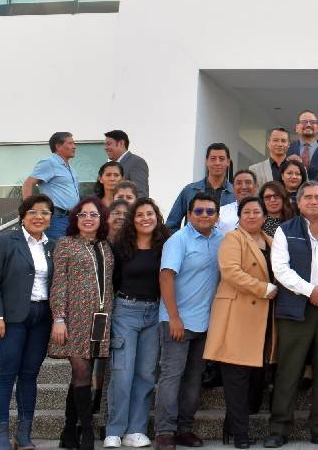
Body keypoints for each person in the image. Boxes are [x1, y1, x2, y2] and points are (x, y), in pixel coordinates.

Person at [266, 182, 318, 448]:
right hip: (296, 310)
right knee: (289, 370)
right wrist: (311, 290)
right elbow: (280, 269)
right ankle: (278, 429)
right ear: (298, 203)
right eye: (308, 197)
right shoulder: (283, 230)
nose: (313, 201)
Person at [0, 195, 57, 450]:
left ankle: (23, 433)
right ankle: (1, 434)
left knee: (29, 375)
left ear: (51, 218)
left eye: (45, 213)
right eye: (33, 212)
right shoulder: (6, 241)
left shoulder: (52, 246)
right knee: (6, 374)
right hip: (10, 319)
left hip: (41, 319)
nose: (39, 217)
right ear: (23, 216)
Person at [204, 196, 278, 449]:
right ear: (239, 216)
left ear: (265, 217)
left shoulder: (270, 241)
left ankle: (232, 425)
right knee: (236, 378)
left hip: (262, 318)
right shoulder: (232, 239)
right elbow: (231, 272)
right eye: (246, 212)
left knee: (254, 379)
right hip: (237, 315)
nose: (251, 216)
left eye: (256, 212)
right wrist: (263, 288)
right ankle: (240, 434)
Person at [154, 193, 225, 450]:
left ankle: (184, 428)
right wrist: (173, 317)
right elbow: (166, 278)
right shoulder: (178, 241)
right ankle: (164, 431)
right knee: (172, 376)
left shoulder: (222, 240)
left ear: (217, 216)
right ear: (189, 215)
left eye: (209, 211)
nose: (204, 215)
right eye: (198, 211)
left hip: (206, 322)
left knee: (194, 378)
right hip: (177, 321)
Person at [48, 196, 115, 450]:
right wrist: (59, 318)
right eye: (83, 214)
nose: (88, 219)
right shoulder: (65, 244)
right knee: (82, 371)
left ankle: (68, 431)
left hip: (100, 318)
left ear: (101, 219)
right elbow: (59, 283)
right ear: (76, 218)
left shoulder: (105, 246)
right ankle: (86, 432)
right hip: (73, 318)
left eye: (94, 214)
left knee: (81, 374)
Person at [105, 198, 168, 449]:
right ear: (133, 219)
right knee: (122, 372)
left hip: (154, 312)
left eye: (149, 214)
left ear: (157, 216)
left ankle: (136, 429)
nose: (145, 218)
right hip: (125, 311)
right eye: (140, 214)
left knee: (145, 374)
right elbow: (113, 280)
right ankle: (114, 429)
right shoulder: (121, 246)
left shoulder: (165, 245)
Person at [22, 132, 80, 240]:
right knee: (56, 252)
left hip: (72, 218)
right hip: (56, 218)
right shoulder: (49, 163)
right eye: (70, 143)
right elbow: (28, 184)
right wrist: (29, 211)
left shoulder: (70, 168)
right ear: (58, 146)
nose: (74, 146)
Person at [166, 143, 234, 232]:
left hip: (225, 245)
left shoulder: (235, 194)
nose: (217, 163)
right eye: (213, 159)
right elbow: (171, 225)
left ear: (228, 162)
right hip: (192, 245)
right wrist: (180, 244)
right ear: (206, 161)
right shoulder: (190, 190)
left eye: (221, 159)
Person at [285, 110, 318, 182]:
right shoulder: (286, 150)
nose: (308, 125)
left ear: (317, 128)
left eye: (312, 122)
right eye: (304, 122)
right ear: (297, 127)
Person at [104, 130, 150, 198]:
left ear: (121, 143)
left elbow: (141, 194)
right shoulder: (111, 166)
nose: (105, 148)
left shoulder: (136, 162)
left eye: (109, 144)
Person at [217, 170, 259, 234]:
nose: (243, 187)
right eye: (239, 183)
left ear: (255, 187)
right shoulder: (221, 212)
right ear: (233, 188)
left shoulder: (264, 212)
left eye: (248, 182)